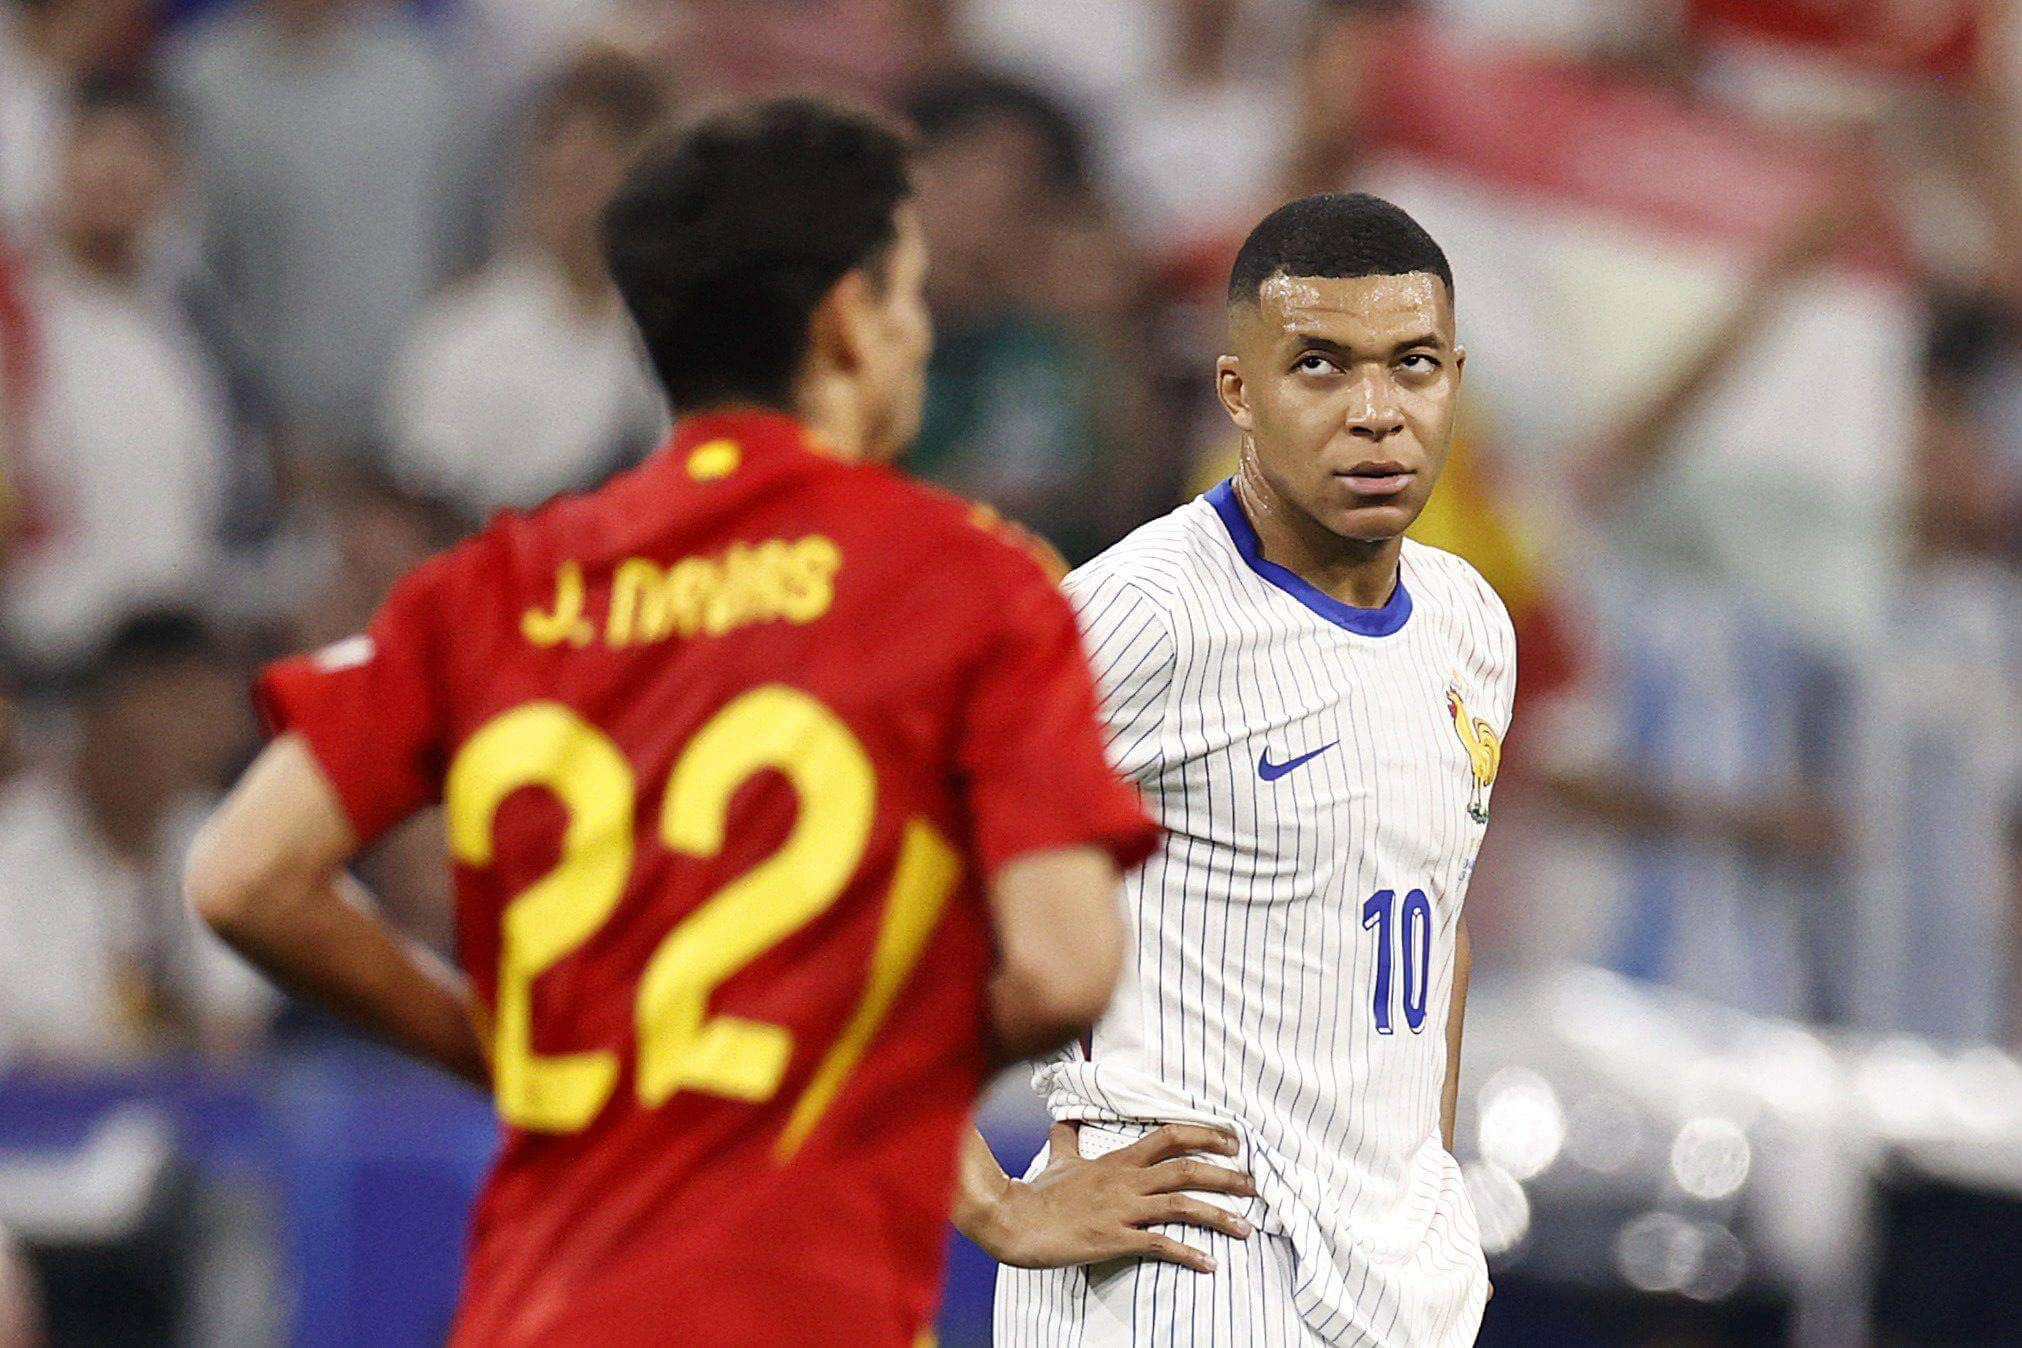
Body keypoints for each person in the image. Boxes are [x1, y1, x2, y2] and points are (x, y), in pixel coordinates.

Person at [185, 97, 1157, 1346]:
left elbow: (243, 875)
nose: (921, 336)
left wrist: (505, 1055)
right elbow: (1066, 963)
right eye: (907, 296)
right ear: (846, 321)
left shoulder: (488, 589)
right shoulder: (962, 584)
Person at [966, 193, 1511, 1346]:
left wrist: (1423, 1182)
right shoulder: (1136, 618)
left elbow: (1430, 915)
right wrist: (1000, 1205)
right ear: (1239, 394)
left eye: (1412, 366)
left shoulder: (1471, 625)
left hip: (1394, 1290)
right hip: (1176, 1274)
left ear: (1453, 378)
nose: (1376, 413)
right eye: (1320, 366)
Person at [383, 51, 667, 520]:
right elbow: (427, 522)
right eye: (561, 176)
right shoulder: (460, 335)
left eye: (592, 177)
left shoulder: (680, 339)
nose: (573, 203)